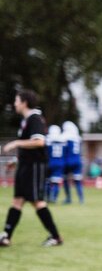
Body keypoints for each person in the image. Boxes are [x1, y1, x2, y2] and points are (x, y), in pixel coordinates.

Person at [0, 90, 63, 247]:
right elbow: (28, 147)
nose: (14, 103)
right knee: (18, 201)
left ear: (24, 102)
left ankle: (55, 236)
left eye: (16, 100)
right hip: (25, 166)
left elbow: (39, 142)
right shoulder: (27, 121)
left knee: (37, 201)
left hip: (35, 167)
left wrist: (16, 143)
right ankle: (6, 236)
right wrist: (15, 160)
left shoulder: (35, 118)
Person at [61, 121, 84, 204]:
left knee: (66, 180)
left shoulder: (65, 137)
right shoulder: (78, 138)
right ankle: (81, 199)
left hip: (68, 161)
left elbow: (63, 150)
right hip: (77, 161)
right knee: (78, 180)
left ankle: (68, 198)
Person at [46, 125, 66, 203]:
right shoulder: (63, 140)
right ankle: (54, 198)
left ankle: (47, 197)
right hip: (60, 163)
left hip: (50, 162)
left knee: (47, 181)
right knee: (56, 183)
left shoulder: (48, 139)